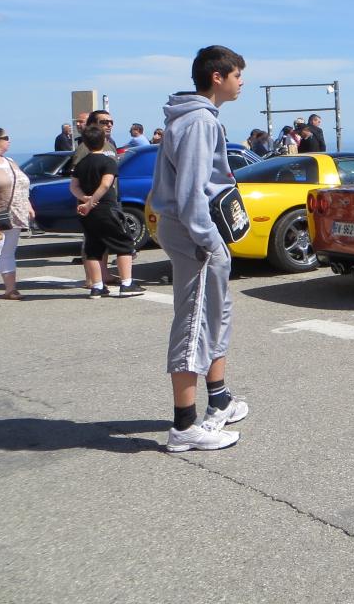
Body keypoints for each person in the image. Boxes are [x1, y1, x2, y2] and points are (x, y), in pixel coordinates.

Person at [150, 44, 250, 452]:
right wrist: (210, 242)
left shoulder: (197, 118)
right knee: (194, 324)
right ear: (217, 77)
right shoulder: (198, 123)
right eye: (238, 75)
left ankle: (220, 400)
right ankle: (184, 427)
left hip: (195, 232)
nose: (241, 82)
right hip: (195, 235)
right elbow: (192, 192)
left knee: (215, 312)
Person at [70, 127, 145, 299]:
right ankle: (127, 284)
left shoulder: (82, 163)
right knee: (124, 243)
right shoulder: (108, 162)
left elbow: (73, 186)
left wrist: (84, 200)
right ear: (104, 141)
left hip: (88, 212)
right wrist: (92, 201)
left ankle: (97, 286)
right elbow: (105, 185)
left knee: (93, 247)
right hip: (106, 208)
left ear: (85, 143)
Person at [0, 127, 34, 300]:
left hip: (14, 215)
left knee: (7, 251)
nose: (9, 140)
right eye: (6, 137)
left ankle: (10, 289)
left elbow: (20, 185)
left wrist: (28, 205)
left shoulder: (10, 161)